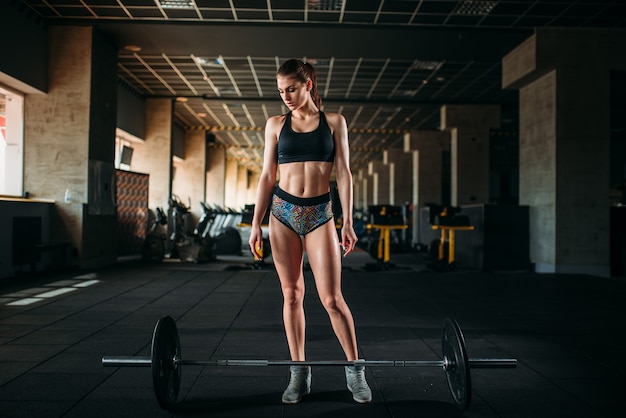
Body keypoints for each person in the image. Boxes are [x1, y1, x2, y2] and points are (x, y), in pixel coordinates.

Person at [248, 58, 372, 405]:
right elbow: (266, 176)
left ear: (308, 85)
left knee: (332, 299)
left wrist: (348, 221)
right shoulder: (275, 125)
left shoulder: (334, 122)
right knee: (291, 295)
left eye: (290, 88)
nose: (285, 96)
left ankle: (355, 372)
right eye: (280, 90)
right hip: (282, 213)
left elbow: (344, 173)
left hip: (320, 214)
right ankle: (299, 374)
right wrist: (256, 224)